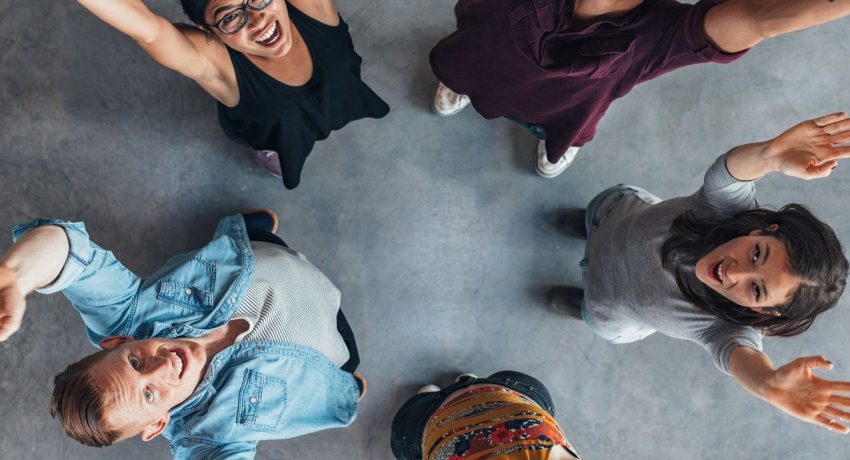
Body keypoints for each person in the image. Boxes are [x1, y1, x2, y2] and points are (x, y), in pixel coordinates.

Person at [549, 112, 850, 433]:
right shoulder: (721, 211)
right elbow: (731, 174)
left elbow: (743, 358)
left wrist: (767, 385)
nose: (734, 272)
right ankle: (586, 227)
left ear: (764, 311)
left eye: (757, 290)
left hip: (607, 307)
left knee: (589, 310)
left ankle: (581, 302)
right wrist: (770, 155)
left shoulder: (727, 327)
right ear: (763, 230)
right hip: (612, 214)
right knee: (590, 220)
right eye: (757, 253)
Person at [0, 209, 366, 458]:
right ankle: (348, 387)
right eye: (148, 394)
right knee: (348, 375)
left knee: (258, 235)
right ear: (158, 424)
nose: (163, 367)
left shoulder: (127, 314)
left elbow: (68, 252)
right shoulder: (207, 437)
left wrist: (16, 276)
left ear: (119, 341)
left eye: (135, 361)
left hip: (266, 259)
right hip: (327, 351)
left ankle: (259, 231)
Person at [430, 0, 850, 178]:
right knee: (470, 63)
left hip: (563, 113)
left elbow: (762, 17)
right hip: (480, 56)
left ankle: (558, 142)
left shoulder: (662, 33)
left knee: (565, 129)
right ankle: (461, 83)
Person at [75, 0, 389, 189]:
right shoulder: (215, 62)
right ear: (207, 30)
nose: (258, 19)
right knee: (276, 141)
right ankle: (271, 151)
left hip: (342, 93)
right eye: (230, 17)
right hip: (272, 131)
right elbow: (147, 28)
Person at [391, 371, 580, 460]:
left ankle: (452, 389)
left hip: (431, 421)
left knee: (412, 417)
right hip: (515, 393)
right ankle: (448, 391)